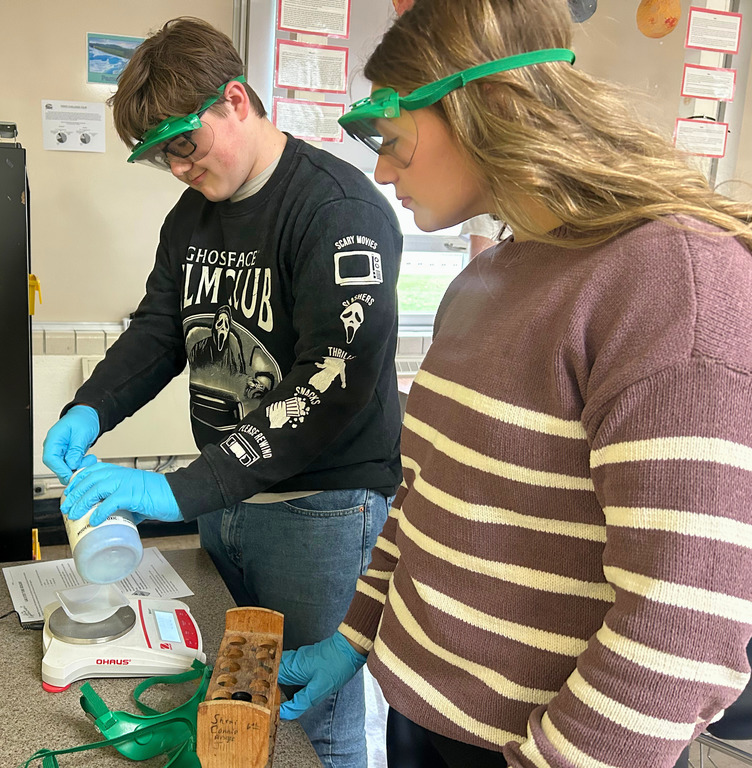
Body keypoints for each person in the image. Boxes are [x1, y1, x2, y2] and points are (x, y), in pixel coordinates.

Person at [276, 2, 752, 767]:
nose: (381, 170)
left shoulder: (672, 281)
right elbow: (430, 498)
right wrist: (357, 635)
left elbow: (684, 625)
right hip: (421, 716)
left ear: (489, 106)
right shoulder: (486, 279)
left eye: (392, 140)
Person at [41, 17, 404, 768]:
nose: (177, 168)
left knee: (316, 721)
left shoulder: (338, 212)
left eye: (184, 143)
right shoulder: (194, 216)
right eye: (159, 157)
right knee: (241, 698)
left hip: (319, 510)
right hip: (227, 499)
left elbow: (329, 386)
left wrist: (178, 492)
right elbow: (159, 331)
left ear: (235, 100)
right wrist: (92, 406)